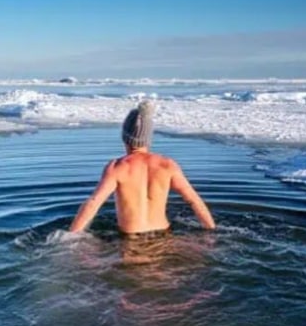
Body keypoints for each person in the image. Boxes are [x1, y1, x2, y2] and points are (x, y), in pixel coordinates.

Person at [70, 101, 216, 236]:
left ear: (124, 138)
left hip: (130, 239)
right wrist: (211, 232)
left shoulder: (117, 167)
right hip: (163, 234)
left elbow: (94, 202)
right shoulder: (167, 165)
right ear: (148, 138)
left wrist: (72, 236)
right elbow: (194, 201)